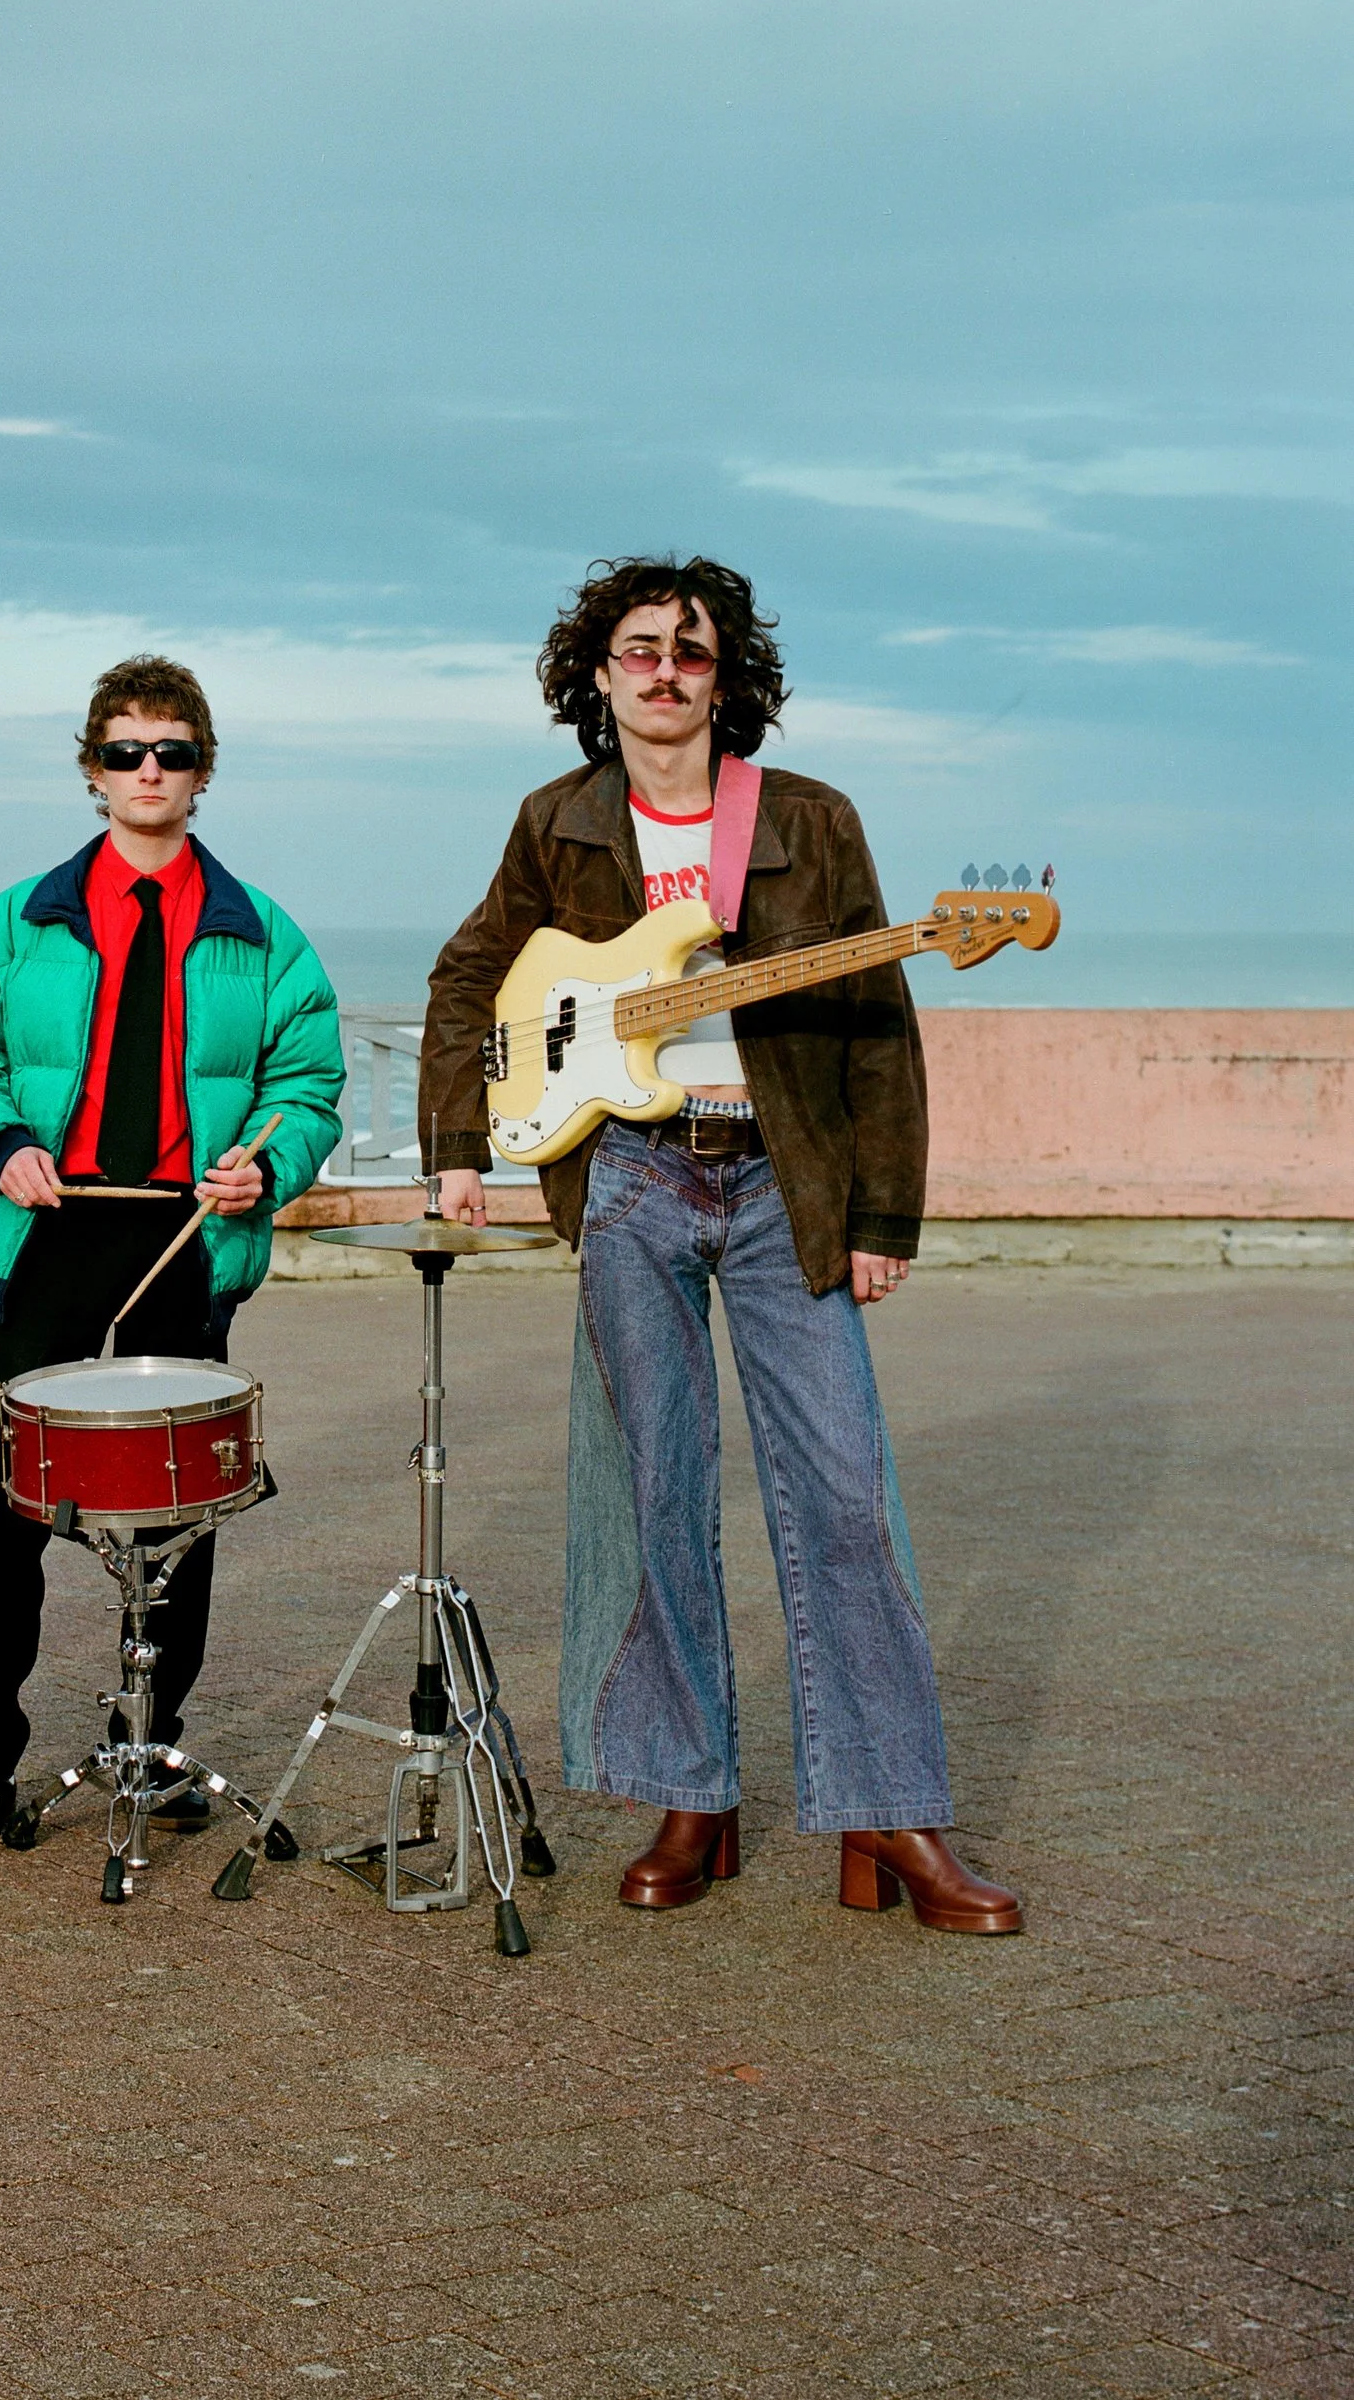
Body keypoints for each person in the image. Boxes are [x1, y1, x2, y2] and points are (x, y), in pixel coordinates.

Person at [419, 557, 1021, 1934]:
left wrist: (879, 1216)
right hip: (628, 1174)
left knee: (846, 1499)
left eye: (692, 650)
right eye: (639, 649)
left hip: (781, 1190)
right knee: (653, 1493)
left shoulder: (808, 820)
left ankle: (893, 1813)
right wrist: (461, 1141)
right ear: (598, 675)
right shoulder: (557, 820)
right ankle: (692, 1793)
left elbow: (877, 1020)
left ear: (727, 675)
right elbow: (472, 977)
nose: (666, 671)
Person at [0, 655, 345, 1839]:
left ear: (203, 774)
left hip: (190, 1237)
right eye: (124, 751)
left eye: (173, 752)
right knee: (8, 1509)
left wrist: (271, 1163)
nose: (148, 771)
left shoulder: (266, 938)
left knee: (175, 1508)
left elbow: (309, 1086)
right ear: (91, 772)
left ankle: (147, 1742)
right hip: (51, 1229)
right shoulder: (17, 921)